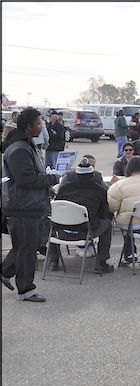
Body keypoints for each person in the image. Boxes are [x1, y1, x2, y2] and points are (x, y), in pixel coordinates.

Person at [1, 107, 60, 302]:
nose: (41, 125)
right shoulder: (19, 148)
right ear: (28, 126)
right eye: (38, 122)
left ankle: (5, 271)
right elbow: (25, 179)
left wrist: (46, 188)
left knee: (24, 246)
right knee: (26, 248)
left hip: (28, 204)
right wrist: (51, 179)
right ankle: (26, 289)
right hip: (22, 207)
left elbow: (32, 175)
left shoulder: (26, 144)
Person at [47, 158, 114, 273]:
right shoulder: (100, 191)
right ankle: (101, 263)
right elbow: (105, 213)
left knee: (51, 223)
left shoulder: (64, 189)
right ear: (92, 175)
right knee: (108, 222)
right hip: (86, 232)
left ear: (76, 175)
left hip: (62, 232)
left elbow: (56, 208)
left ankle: (54, 261)